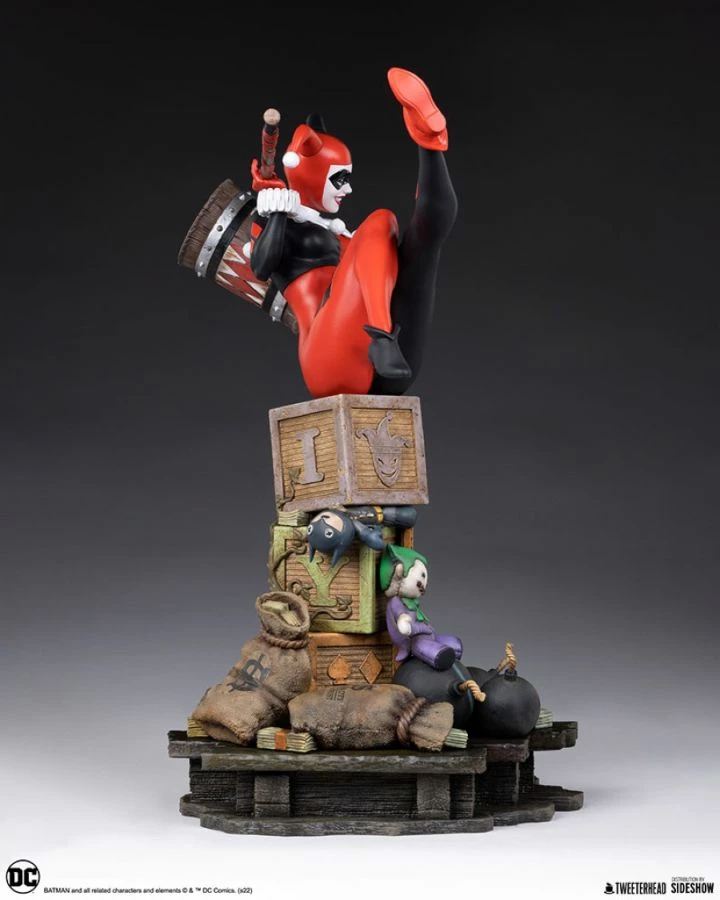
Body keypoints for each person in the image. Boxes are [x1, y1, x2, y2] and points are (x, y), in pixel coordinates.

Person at [248, 67, 457, 399]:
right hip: (328, 364)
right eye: (339, 179)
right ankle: (381, 336)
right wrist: (274, 213)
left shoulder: (339, 234)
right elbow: (261, 267)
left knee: (423, 244)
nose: (347, 189)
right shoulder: (281, 216)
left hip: (393, 365)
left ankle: (429, 141)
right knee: (381, 221)